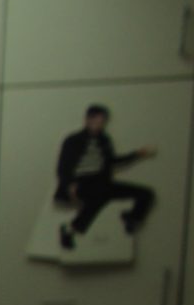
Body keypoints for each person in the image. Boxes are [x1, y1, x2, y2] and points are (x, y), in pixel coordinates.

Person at [54, 102, 158, 248]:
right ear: (88, 120)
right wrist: (69, 185)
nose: (99, 125)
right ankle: (70, 230)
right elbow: (62, 167)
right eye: (96, 121)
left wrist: (137, 154)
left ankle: (131, 219)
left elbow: (112, 161)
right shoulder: (73, 140)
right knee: (99, 197)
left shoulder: (104, 140)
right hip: (81, 182)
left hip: (101, 182)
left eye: (102, 122)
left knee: (146, 193)